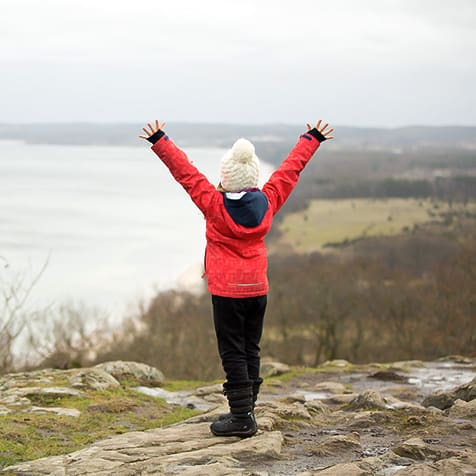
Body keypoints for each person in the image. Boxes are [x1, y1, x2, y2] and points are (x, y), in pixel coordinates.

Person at [139, 119, 334, 437]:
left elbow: (186, 174)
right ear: (253, 176)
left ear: (225, 178)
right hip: (257, 288)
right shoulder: (268, 201)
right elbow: (289, 171)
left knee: (232, 350)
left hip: (228, 292)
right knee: (250, 347)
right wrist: (312, 139)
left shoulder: (214, 205)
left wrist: (160, 140)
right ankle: (248, 409)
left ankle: (241, 417)